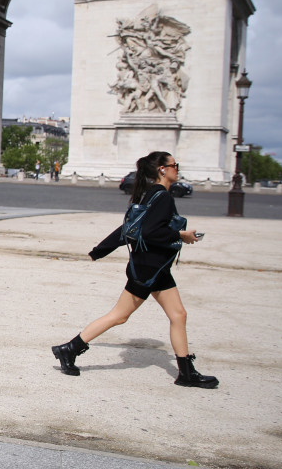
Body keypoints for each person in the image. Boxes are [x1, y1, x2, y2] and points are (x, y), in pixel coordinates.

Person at [51, 151, 218, 388]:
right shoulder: (162, 197)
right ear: (162, 169)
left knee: (177, 315)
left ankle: (186, 372)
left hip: (152, 267)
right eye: (174, 165)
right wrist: (182, 235)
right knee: (120, 315)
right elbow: (150, 232)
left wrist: (100, 250)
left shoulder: (150, 194)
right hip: (149, 268)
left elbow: (130, 228)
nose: (177, 169)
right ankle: (69, 349)